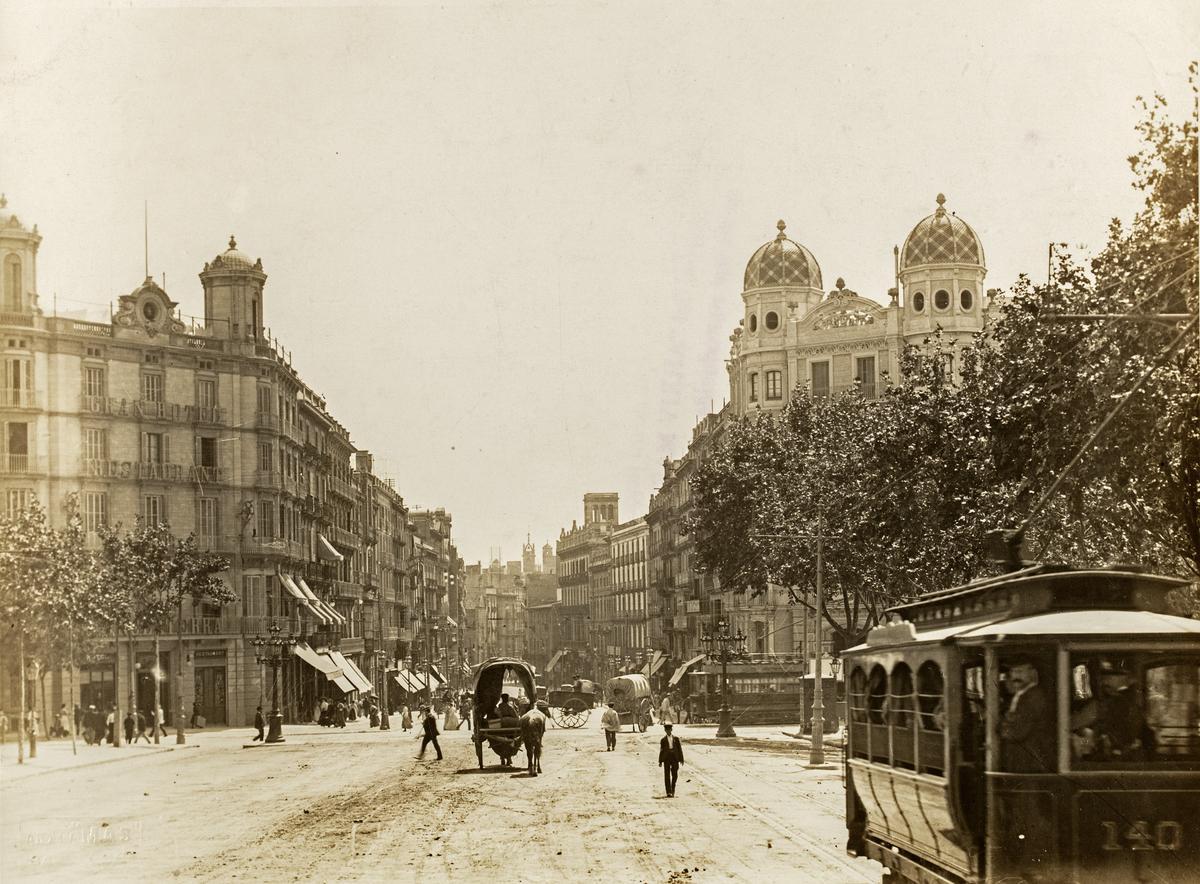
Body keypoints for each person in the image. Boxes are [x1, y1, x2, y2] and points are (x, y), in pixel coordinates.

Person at [999, 662, 1055, 772]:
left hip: (1031, 766)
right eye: (1013, 672)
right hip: (1023, 765)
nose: (1015, 677)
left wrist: (1002, 727)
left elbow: (1016, 732)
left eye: (1019, 672)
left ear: (1032, 673)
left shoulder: (1034, 697)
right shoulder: (1022, 696)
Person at [521, 701, 547, 776]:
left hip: (524, 724)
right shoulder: (541, 715)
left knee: (528, 746)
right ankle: (537, 766)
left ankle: (530, 765)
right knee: (538, 744)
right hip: (538, 731)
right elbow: (542, 733)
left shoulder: (524, 717)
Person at [659, 723, 685, 797]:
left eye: (669, 730)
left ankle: (673, 788)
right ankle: (669, 792)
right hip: (666, 757)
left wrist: (681, 759)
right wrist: (660, 761)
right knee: (667, 775)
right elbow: (661, 750)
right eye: (667, 730)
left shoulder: (676, 739)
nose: (668, 731)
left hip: (674, 757)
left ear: (671, 730)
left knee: (675, 774)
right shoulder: (663, 740)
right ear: (665, 730)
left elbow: (679, 749)